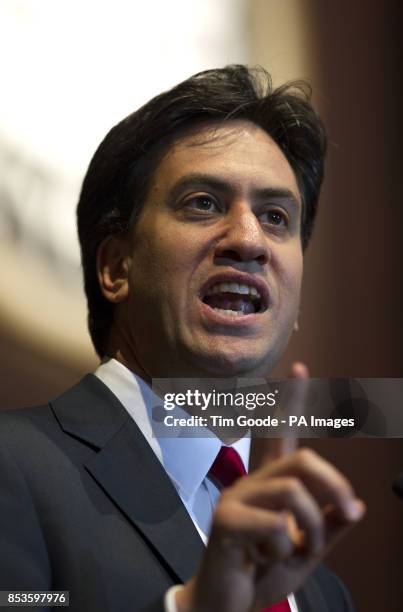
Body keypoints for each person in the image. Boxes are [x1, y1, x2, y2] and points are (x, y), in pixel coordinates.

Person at [0, 65, 365, 612]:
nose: (248, 240)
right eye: (204, 203)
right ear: (117, 269)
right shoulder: (15, 468)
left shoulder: (322, 592)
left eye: (275, 216)